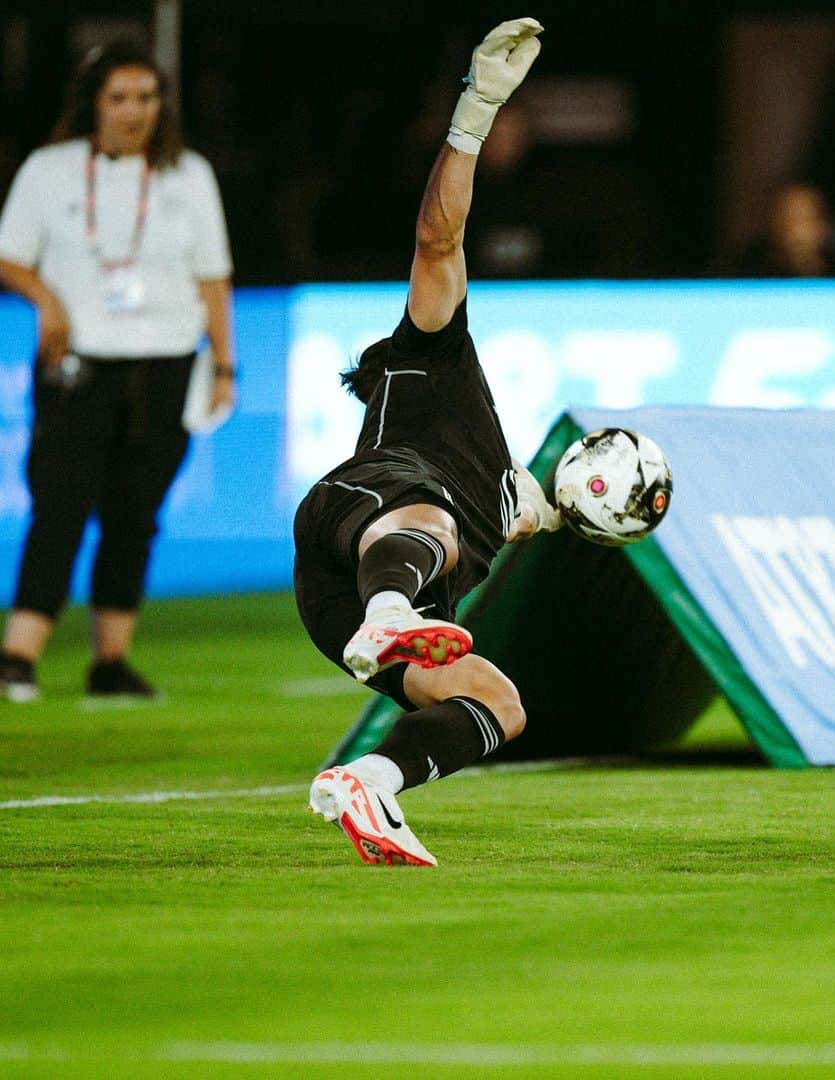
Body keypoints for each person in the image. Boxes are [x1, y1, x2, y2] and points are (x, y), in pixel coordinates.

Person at [298, 18, 560, 867]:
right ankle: (389, 613)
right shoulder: (427, 358)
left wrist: (536, 513)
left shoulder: (493, 481)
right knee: (433, 520)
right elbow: (437, 237)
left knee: (499, 700)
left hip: (347, 600)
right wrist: (475, 114)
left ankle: (368, 780)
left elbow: (505, 516)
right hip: (368, 518)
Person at [0, 41, 235, 702]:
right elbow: (9, 255)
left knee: (136, 515)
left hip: (166, 365)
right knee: (61, 505)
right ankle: (18, 654)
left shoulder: (189, 175)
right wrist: (48, 302)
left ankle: (111, 661)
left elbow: (214, 277)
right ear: (93, 103)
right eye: (120, 98)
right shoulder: (51, 170)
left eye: (147, 98)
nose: (135, 112)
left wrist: (224, 365)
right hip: (79, 364)